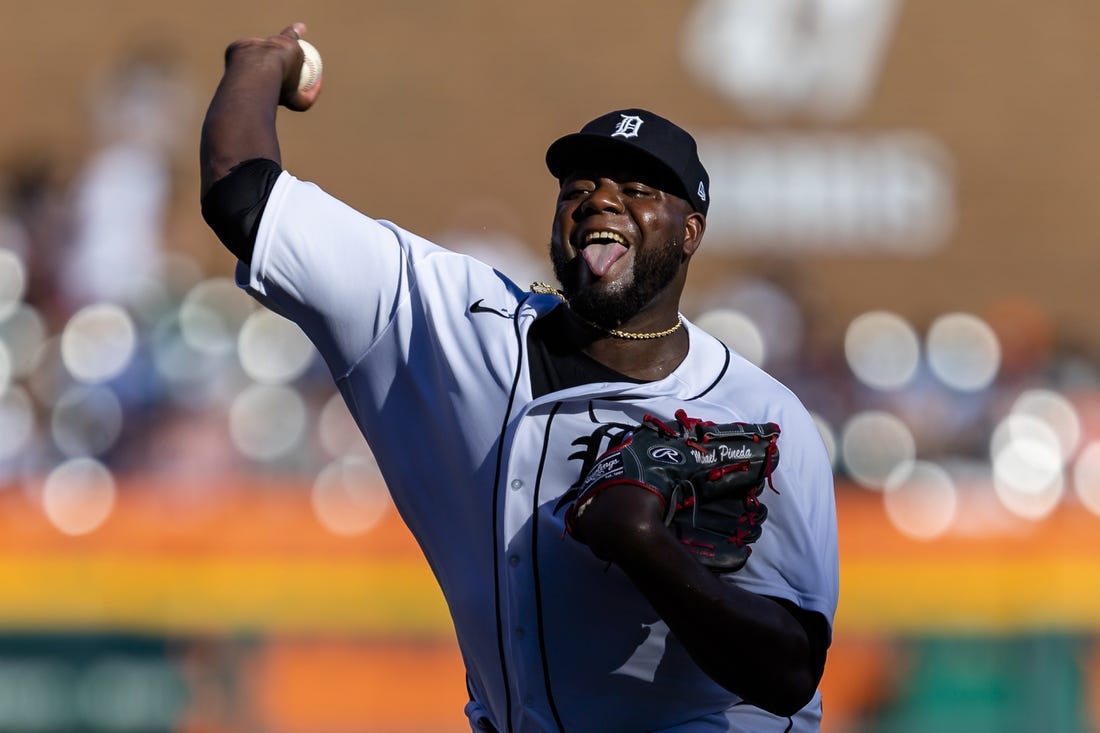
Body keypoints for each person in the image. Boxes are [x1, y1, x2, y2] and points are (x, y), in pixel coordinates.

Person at [199, 22, 839, 733]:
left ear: (690, 232)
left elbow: (789, 673)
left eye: (637, 188)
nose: (601, 200)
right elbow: (244, 198)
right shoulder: (450, 321)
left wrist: (651, 551)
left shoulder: (759, 413)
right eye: (580, 187)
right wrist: (261, 63)